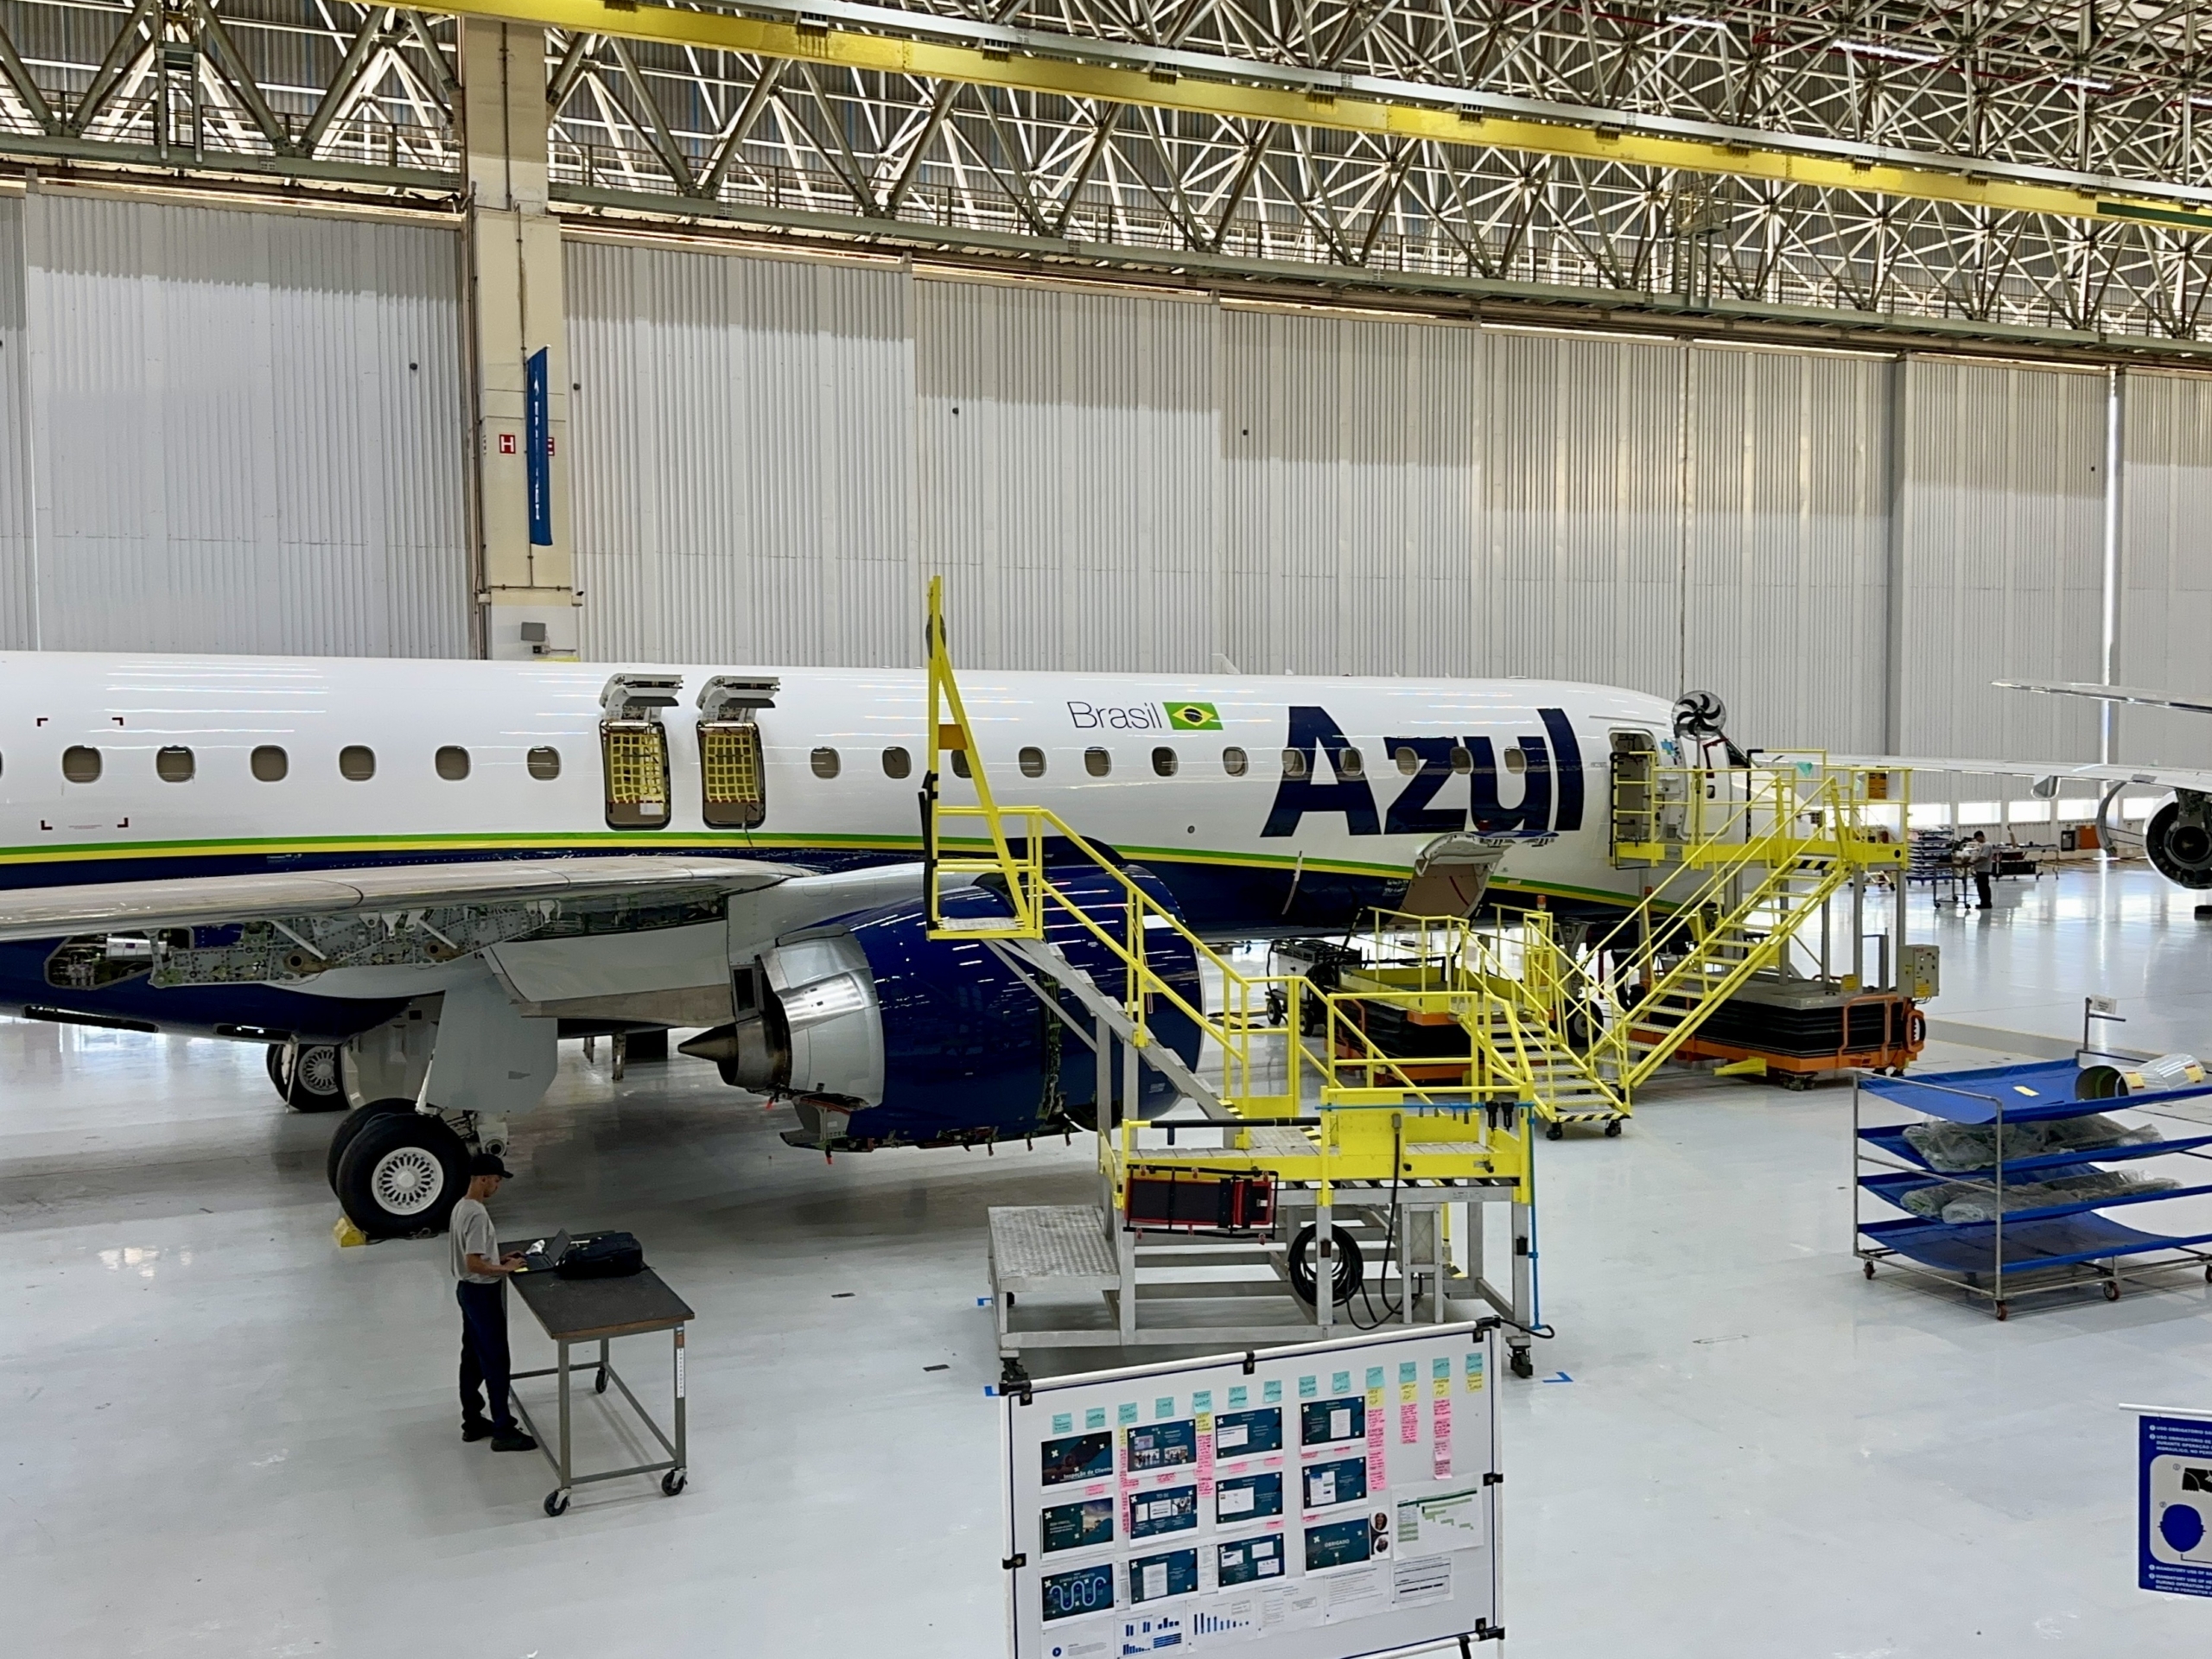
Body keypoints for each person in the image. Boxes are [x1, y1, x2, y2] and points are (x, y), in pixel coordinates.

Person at [450, 1152, 537, 1452]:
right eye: (497, 1181)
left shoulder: (461, 1208)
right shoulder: (477, 1214)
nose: (497, 1187)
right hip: (481, 1294)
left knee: (472, 1358)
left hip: (466, 1291)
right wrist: (504, 1269)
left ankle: (472, 1421)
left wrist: (497, 1258)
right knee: (496, 1361)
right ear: (484, 1179)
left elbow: (473, 1258)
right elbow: (474, 1263)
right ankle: (503, 1429)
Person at [1969, 830, 1995, 911]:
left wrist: (1973, 861)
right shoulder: (1984, 845)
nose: (1977, 840)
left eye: (1977, 838)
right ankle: (1984, 902)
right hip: (1981, 869)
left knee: (1983, 887)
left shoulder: (1987, 845)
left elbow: (1983, 857)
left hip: (1983, 869)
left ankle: (1986, 903)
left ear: (1981, 836)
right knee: (1982, 887)